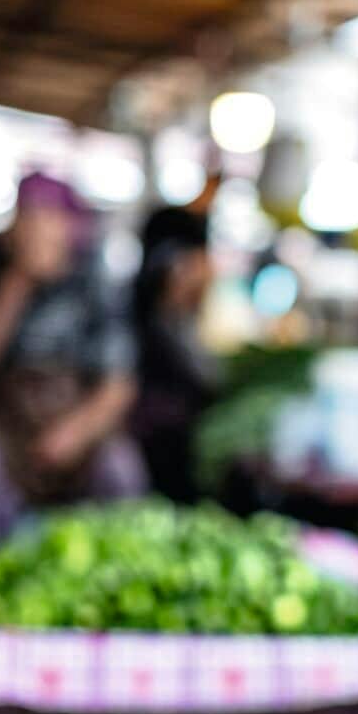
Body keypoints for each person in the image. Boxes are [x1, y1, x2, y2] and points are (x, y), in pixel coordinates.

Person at [0, 173, 145, 548]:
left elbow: (118, 384)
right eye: (26, 218)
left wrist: (74, 434)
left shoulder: (93, 278)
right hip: (4, 429)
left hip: (74, 424)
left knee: (121, 468)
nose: (34, 230)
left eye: (46, 218)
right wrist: (19, 280)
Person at [128, 205, 220, 502]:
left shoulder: (175, 318)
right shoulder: (141, 322)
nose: (210, 271)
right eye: (201, 258)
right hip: (155, 467)